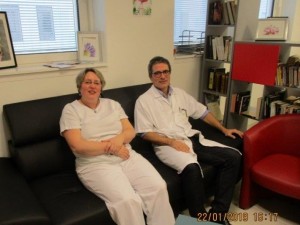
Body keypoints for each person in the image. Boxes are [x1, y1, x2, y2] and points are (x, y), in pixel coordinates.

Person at [134, 56, 243, 225]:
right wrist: (170, 142)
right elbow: (143, 133)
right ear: (151, 77)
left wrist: (224, 129)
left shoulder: (179, 93)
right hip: (167, 144)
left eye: (165, 72)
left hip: (193, 138)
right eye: (157, 73)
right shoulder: (143, 101)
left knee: (233, 157)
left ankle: (217, 215)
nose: (162, 76)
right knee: (191, 168)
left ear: (170, 73)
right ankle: (198, 220)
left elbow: (203, 112)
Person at [59, 68, 175, 225]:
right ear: (80, 87)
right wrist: (112, 147)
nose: (92, 86)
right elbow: (77, 146)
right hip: (95, 164)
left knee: (158, 187)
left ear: (101, 87)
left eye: (96, 82)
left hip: (126, 155)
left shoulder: (113, 104)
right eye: (87, 82)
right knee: (128, 200)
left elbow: (130, 131)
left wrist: (119, 140)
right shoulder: (71, 110)